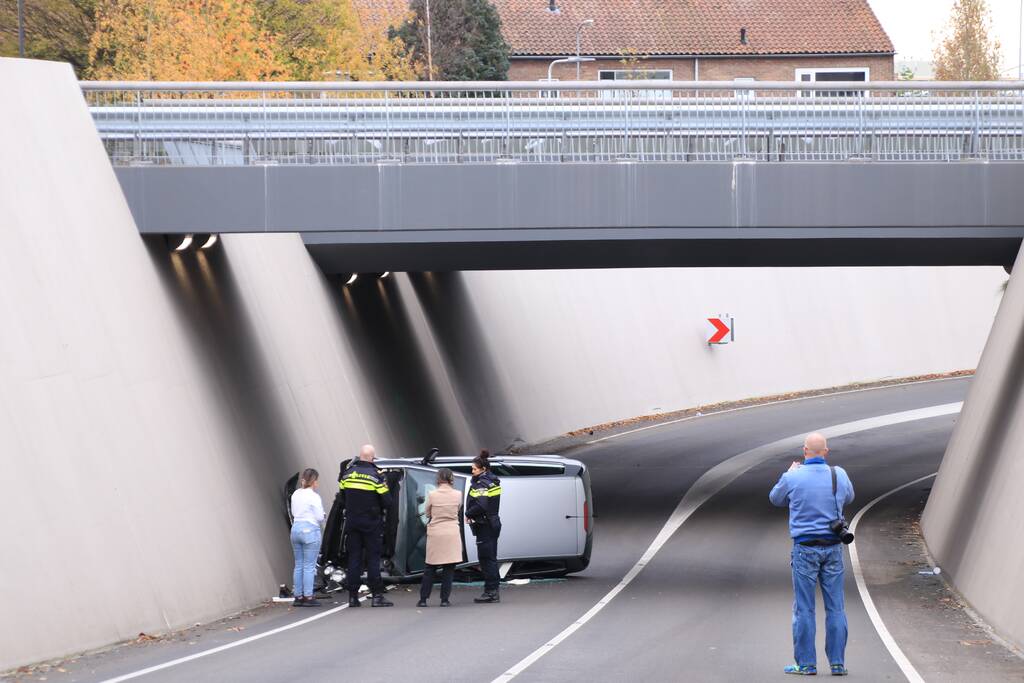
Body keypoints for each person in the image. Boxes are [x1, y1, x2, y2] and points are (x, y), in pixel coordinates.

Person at [769, 432, 855, 677]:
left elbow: (775, 499)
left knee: (804, 609)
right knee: (836, 607)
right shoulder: (839, 475)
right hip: (833, 548)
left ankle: (806, 664)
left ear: (804, 451)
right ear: (826, 452)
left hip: (805, 549)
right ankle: (837, 663)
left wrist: (789, 473)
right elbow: (849, 497)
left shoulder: (792, 477)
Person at [339, 444, 394, 608]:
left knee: (354, 558)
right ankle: (376, 595)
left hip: (352, 522)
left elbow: (342, 499)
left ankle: (353, 597)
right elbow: (388, 502)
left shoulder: (346, 474)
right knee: (372, 558)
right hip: (371, 523)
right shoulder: (376, 475)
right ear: (372, 458)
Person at [417, 468, 463, 607]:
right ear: (451, 479)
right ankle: (444, 600)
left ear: (438, 479)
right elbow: (458, 509)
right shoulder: (458, 494)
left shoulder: (432, 494)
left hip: (436, 532)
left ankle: (423, 599)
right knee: (449, 568)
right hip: (451, 532)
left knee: (430, 567)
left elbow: (427, 511)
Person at [465, 450, 502, 604]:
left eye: (474, 469)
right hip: (492, 522)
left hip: (485, 525)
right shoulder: (493, 481)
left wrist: (468, 513)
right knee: (491, 558)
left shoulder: (481, 484)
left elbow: (481, 504)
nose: (472, 471)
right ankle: (493, 589)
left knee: (486, 559)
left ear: (483, 469)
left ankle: (491, 592)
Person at [290, 468, 326, 607]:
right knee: (309, 566)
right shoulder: (314, 496)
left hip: (296, 529)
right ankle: (308, 596)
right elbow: (318, 517)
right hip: (310, 530)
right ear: (314, 481)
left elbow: (294, 512)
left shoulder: (296, 494)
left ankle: (298, 596)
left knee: (299, 564)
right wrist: (323, 516)